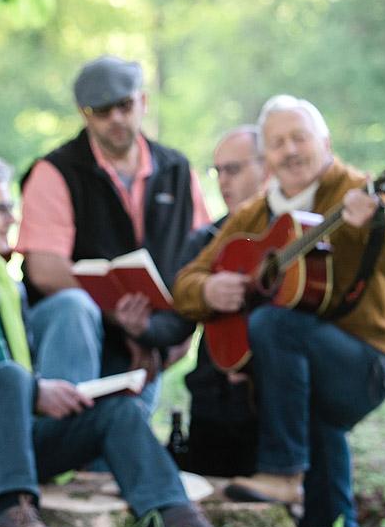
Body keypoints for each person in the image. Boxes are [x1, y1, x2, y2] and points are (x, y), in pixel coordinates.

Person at [0, 152, 255, 527]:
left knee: (119, 411)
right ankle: (15, 519)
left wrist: (56, 392)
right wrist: (32, 390)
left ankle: (182, 525)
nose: (11, 219)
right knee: (10, 378)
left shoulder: (2, 282)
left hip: (11, 437)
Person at [172, 95, 385, 527]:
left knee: (274, 323)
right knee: (324, 446)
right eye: (278, 143)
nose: (290, 151)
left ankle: (282, 472)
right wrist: (209, 289)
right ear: (267, 158)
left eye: (299, 138)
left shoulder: (356, 191)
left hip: (366, 360)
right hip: (301, 375)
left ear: (324, 142)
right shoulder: (253, 215)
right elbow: (186, 283)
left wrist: (375, 223)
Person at [16, 55, 212, 416]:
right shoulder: (54, 171)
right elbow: (44, 270)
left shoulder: (178, 169)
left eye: (124, 105)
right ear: (83, 113)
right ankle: (62, 443)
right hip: (79, 337)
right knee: (74, 309)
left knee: (117, 459)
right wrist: (118, 317)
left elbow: (201, 259)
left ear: (143, 101)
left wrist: (160, 336)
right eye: (102, 111)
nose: (116, 119)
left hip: (153, 341)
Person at [113, 126, 269, 477]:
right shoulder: (205, 239)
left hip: (273, 394)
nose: (223, 182)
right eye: (218, 171)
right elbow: (177, 321)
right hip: (215, 396)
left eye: (234, 169)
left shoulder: (291, 231)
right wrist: (144, 326)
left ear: (268, 167)